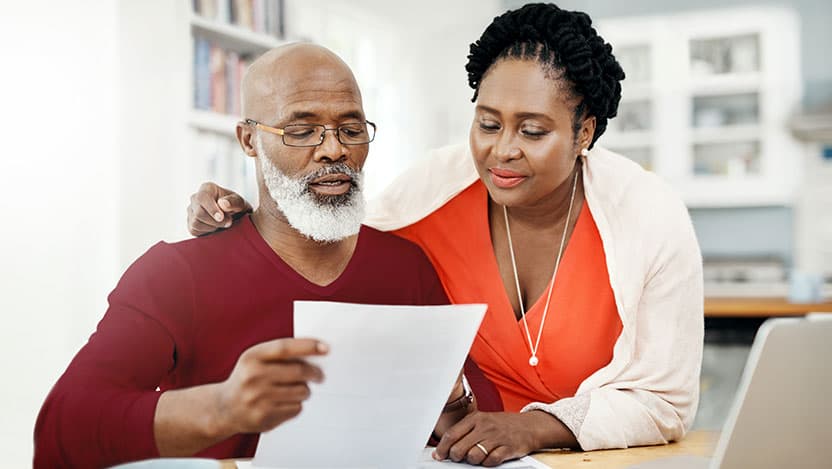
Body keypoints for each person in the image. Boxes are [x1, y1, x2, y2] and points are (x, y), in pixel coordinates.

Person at [188, 3, 704, 467]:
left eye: (533, 131)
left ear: (583, 133)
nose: (503, 150)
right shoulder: (433, 190)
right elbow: (325, 244)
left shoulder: (647, 216)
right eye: (487, 123)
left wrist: (534, 427)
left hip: (603, 461)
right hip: (455, 458)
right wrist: (238, 217)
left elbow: (666, 402)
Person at [33, 43, 457, 468]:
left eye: (350, 129)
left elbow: (456, 422)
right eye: (302, 131)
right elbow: (63, 429)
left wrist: (455, 400)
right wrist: (223, 407)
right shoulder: (175, 274)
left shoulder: (407, 266)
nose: (334, 150)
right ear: (249, 139)